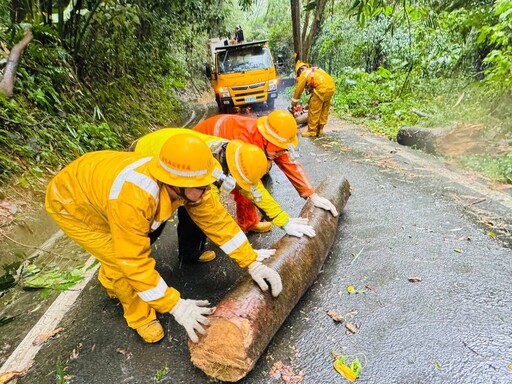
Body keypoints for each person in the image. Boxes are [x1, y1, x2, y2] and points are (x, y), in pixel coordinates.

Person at [45, 133, 282, 344]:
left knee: (121, 252)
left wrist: (251, 262)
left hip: (98, 186)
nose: (207, 190)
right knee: (120, 262)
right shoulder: (134, 199)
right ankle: (140, 318)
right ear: (176, 185)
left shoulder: (192, 183)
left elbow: (218, 221)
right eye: (201, 187)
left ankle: (111, 280)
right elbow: (133, 261)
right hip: (72, 204)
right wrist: (175, 306)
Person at [133, 128, 316, 263]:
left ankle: (189, 254)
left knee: (192, 204)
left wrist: (284, 221)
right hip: (149, 153)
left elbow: (254, 190)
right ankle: (128, 270)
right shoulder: (206, 174)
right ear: (233, 174)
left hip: (171, 147)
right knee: (155, 218)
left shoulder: (236, 156)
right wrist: (247, 256)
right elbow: (215, 218)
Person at [193, 110, 338, 235]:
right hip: (200, 152)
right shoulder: (244, 142)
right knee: (203, 200)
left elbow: (290, 163)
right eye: (278, 150)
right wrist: (282, 220)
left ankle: (249, 224)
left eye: (283, 149)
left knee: (251, 182)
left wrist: (312, 195)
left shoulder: (273, 139)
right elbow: (248, 187)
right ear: (267, 140)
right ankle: (194, 251)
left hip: (219, 147)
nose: (281, 153)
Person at [291, 60, 335, 137]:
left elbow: (298, 90)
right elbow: (316, 88)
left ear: (300, 71)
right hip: (331, 87)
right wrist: (308, 103)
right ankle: (320, 129)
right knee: (324, 108)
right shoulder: (317, 69)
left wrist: (294, 103)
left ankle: (312, 131)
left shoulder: (304, 74)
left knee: (314, 110)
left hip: (321, 89)